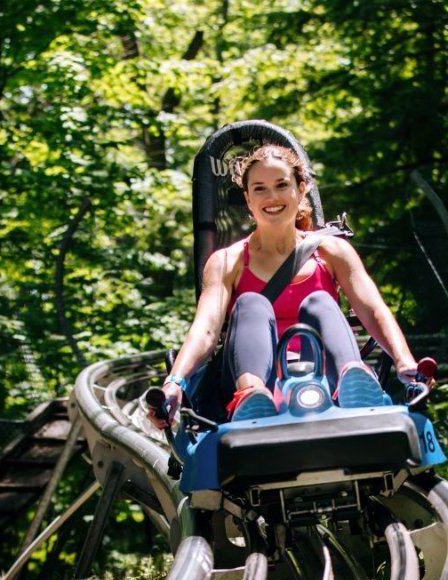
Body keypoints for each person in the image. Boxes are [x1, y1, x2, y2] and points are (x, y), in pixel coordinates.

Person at [148, 143, 427, 429]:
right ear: (247, 198)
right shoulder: (227, 261)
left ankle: (351, 383)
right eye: (260, 188)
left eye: (282, 185)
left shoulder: (332, 251)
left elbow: (374, 311)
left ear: (301, 188)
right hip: (254, 378)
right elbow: (206, 329)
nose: (272, 197)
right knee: (251, 304)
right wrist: (175, 382)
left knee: (319, 301)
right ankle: (251, 397)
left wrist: (406, 364)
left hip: (321, 377)